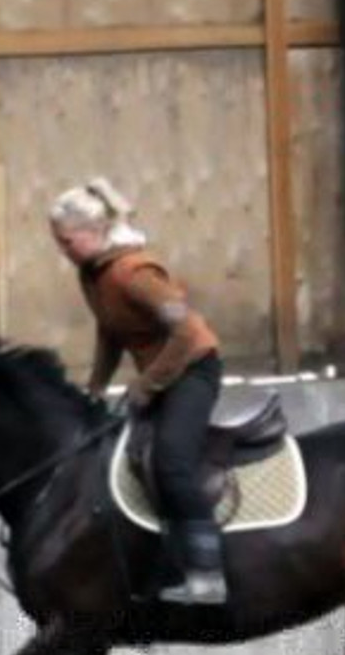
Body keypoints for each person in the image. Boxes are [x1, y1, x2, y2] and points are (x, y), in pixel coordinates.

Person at [49, 177, 227, 607]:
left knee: (171, 461)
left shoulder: (134, 274)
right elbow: (110, 332)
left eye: (68, 241)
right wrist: (94, 387)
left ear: (94, 233)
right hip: (163, 374)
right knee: (127, 457)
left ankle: (208, 574)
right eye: (60, 243)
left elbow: (187, 333)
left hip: (193, 368)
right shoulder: (93, 274)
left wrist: (147, 385)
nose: (64, 251)